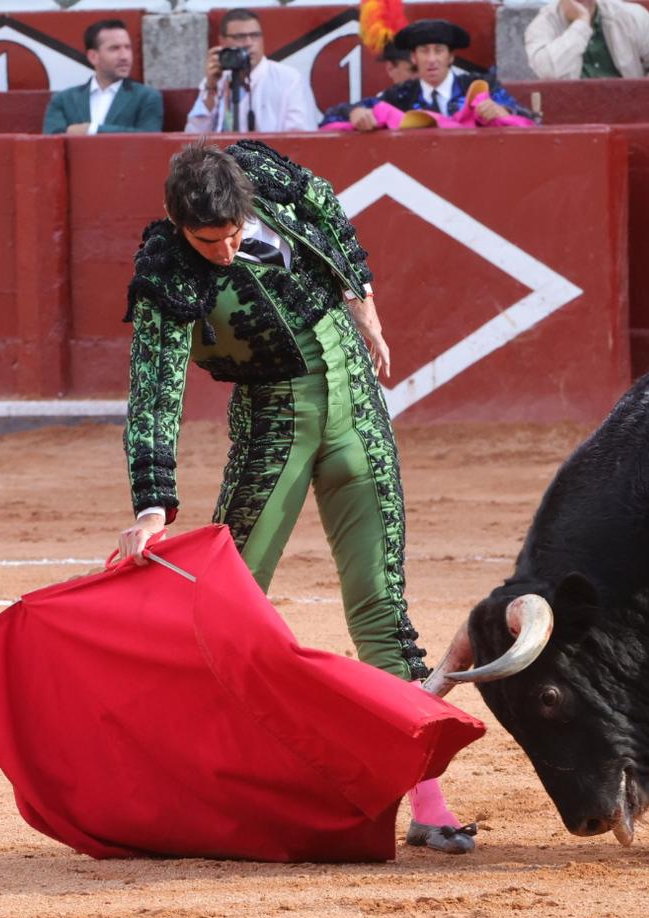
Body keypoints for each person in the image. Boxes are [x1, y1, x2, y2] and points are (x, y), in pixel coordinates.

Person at [117, 141, 475, 855]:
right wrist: (152, 505)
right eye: (207, 242)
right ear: (175, 220)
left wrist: (361, 300)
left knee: (381, 606)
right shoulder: (166, 272)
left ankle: (428, 803)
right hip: (272, 425)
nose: (223, 252)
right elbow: (154, 389)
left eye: (231, 235)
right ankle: (197, 784)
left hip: (356, 410)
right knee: (223, 609)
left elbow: (330, 211)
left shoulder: (265, 176)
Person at [346, 19, 535, 130]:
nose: (431, 59)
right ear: (414, 58)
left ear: (450, 57)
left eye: (439, 51)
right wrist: (355, 113)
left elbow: (528, 118)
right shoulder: (400, 95)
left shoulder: (479, 85)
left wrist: (504, 112)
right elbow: (338, 114)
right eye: (424, 51)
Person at [185, 9, 317, 134]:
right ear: (222, 41)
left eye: (255, 35)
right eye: (239, 37)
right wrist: (210, 89)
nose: (248, 43)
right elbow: (192, 137)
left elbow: (301, 139)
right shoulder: (216, 79)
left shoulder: (289, 79)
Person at [42, 20, 163, 135]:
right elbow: (51, 139)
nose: (124, 56)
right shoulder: (63, 100)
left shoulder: (147, 97)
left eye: (127, 47)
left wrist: (92, 129)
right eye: (114, 48)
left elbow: (150, 138)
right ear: (93, 57)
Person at [524, 0, 649, 80]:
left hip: (632, 111)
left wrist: (643, 100)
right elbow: (548, 73)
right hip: (574, 116)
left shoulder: (630, 15)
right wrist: (581, 24)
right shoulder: (542, 25)